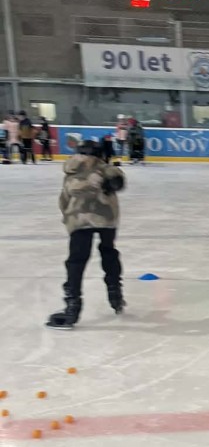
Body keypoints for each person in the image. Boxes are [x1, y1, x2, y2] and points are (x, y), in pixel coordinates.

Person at [45, 139, 126, 328]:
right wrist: (112, 183)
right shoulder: (104, 168)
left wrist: (67, 217)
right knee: (109, 252)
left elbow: (64, 199)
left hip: (79, 218)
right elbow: (118, 179)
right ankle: (115, 294)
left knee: (76, 261)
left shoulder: (72, 169)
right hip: (107, 218)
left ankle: (72, 307)